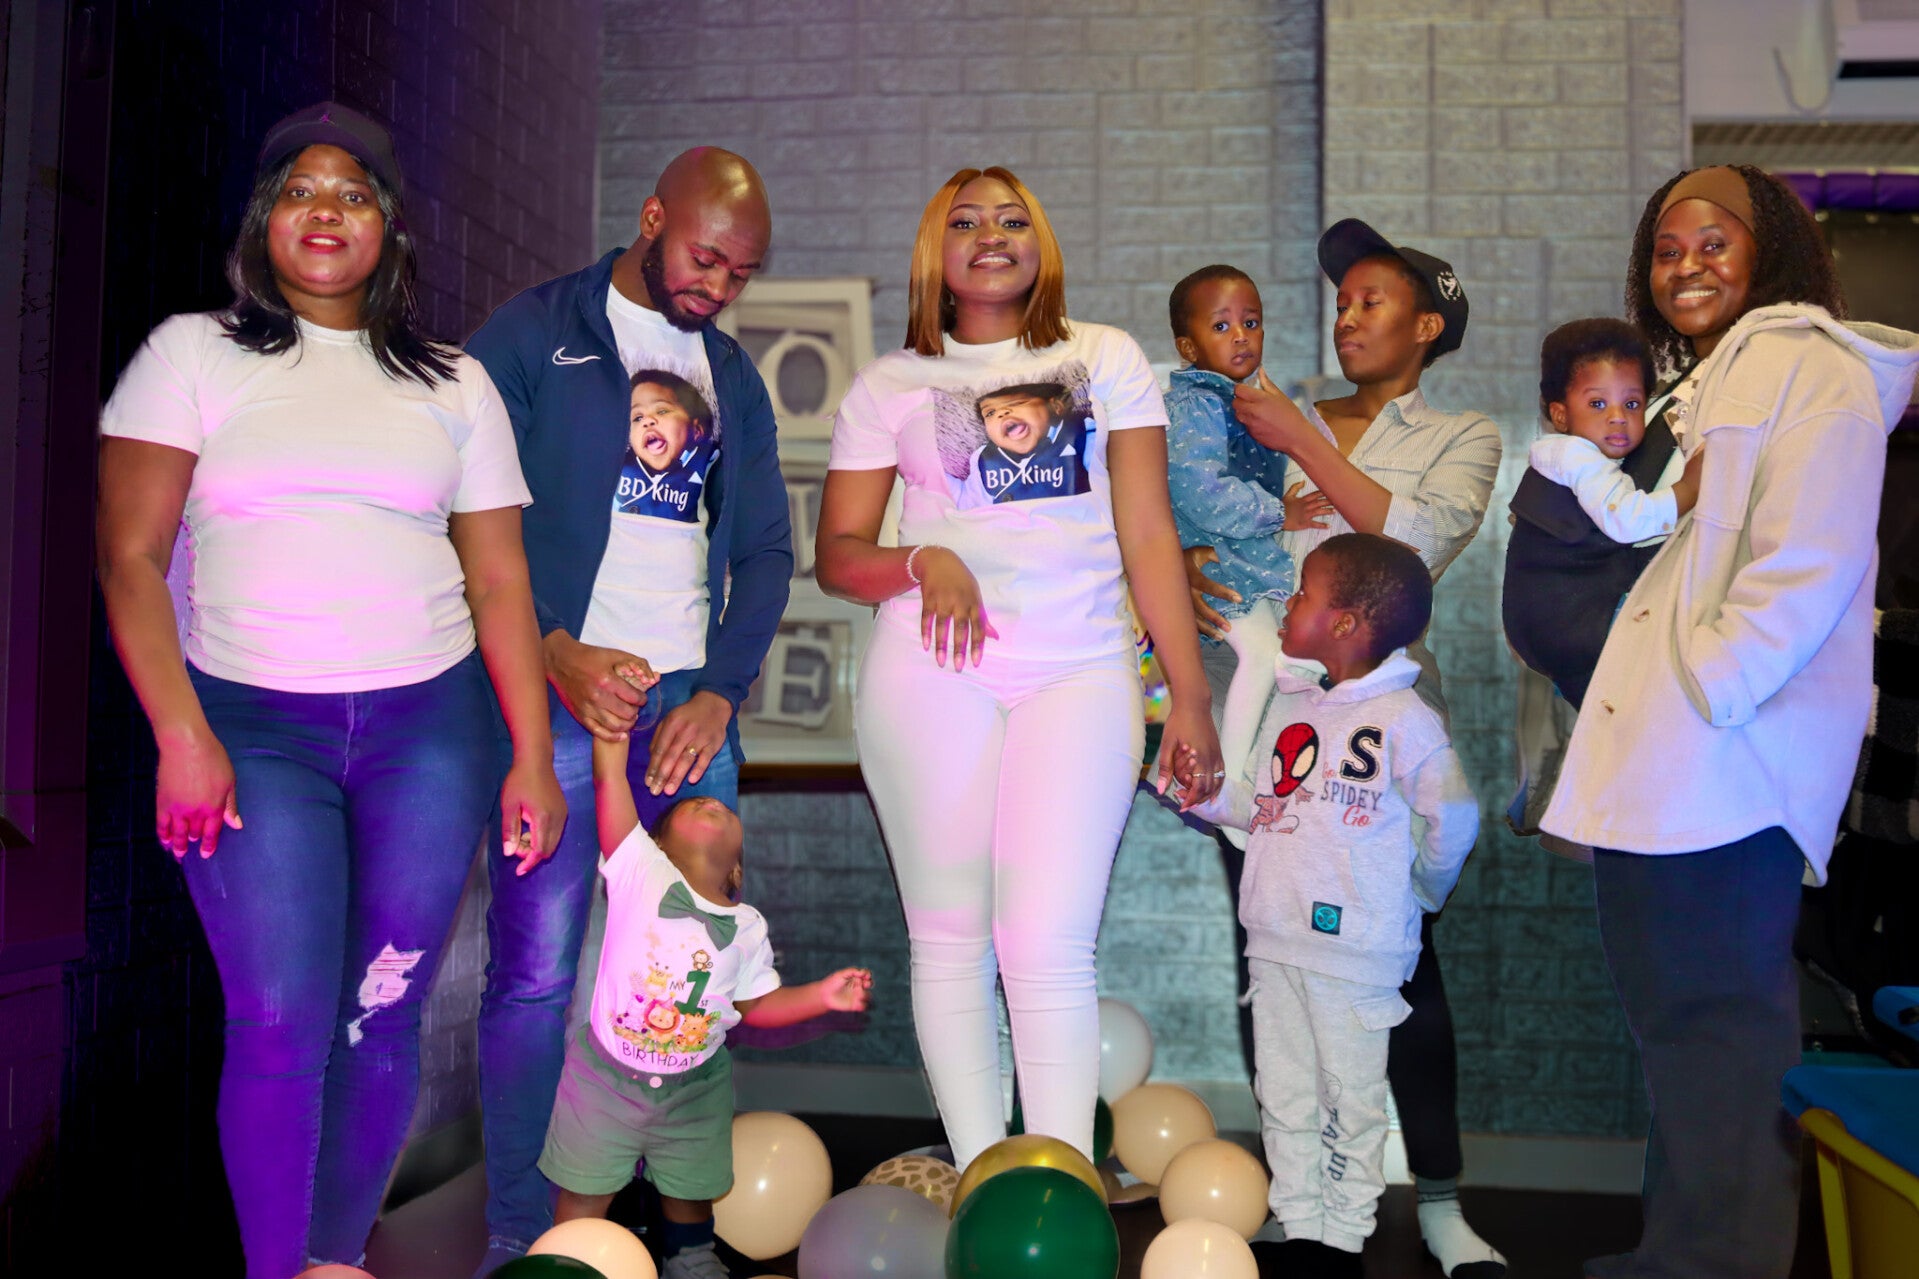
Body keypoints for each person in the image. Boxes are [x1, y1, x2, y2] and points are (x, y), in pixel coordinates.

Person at [94, 102, 564, 1279]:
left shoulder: (454, 383)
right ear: (264, 217)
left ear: (387, 228)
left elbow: (500, 583)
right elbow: (130, 560)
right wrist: (180, 733)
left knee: (381, 1013)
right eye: (300, 189)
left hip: (431, 732)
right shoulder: (191, 356)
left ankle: (335, 1262)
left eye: (353, 193)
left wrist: (527, 754)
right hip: (251, 727)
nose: (325, 211)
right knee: (278, 1018)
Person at [1542, 164, 1919, 1279]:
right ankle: (1678, 1252)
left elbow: (1808, 557)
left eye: (1713, 241)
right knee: (1681, 1037)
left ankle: (1721, 1264)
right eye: (1666, 249)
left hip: (1724, 759)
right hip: (1670, 764)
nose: (1685, 265)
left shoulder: (1811, 364)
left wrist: (1708, 682)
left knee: (1720, 1026)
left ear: (1771, 250)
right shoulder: (1695, 381)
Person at [814, 166, 1223, 1169]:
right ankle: (981, 1177)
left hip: (1079, 672)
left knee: (1045, 942)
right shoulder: (889, 384)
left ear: (1039, 244)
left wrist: (1189, 696)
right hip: (931, 673)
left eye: (1011, 220)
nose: (989, 234)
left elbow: (1147, 534)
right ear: (935, 250)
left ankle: (1055, 1183)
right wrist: (922, 558)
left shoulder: (1103, 357)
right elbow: (837, 558)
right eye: (964, 221)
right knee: (950, 936)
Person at [464, 147, 793, 1270]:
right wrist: (553, 649)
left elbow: (764, 551)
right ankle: (527, 1233)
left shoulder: (730, 376)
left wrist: (719, 692)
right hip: (556, 702)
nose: (717, 285)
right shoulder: (533, 331)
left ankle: (670, 1225)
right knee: (538, 976)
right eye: (704, 257)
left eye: (740, 272)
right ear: (652, 218)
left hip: (687, 714)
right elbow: (466, 511)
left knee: (685, 974)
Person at [1191, 219, 1507, 1277]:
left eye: (1372, 299)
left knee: (1406, 974)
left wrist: (1301, 441)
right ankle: (1304, 1204)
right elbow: (1213, 517)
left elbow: (1413, 545)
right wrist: (1188, 559)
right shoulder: (1268, 415)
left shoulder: (1462, 434)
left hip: (1381, 731)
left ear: (1426, 326)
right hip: (1276, 731)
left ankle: (1437, 1200)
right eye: (1340, 300)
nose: (1346, 315)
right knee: (1272, 958)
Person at [1180, 533, 1478, 1279]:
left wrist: (1421, 890)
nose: (1288, 602)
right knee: (1283, 1095)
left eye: (1303, 592)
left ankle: (1341, 1241)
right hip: (1276, 941)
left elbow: (1455, 815)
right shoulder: (1291, 701)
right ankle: (1303, 1229)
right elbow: (1261, 805)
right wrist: (1204, 794)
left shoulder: (1404, 716)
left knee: (1349, 1101)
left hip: (1356, 956)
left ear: (1344, 623)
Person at [540, 718, 871, 1279]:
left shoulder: (747, 926)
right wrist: (611, 732)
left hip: (695, 1090)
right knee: (583, 1189)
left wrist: (821, 996)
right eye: (688, 807)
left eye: (718, 808)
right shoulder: (640, 869)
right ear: (659, 844)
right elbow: (610, 785)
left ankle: (690, 1256)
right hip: (605, 1080)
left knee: (691, 1189)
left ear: (735, 865)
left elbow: (758, 1005)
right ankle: (566, 1260)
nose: (707, 802)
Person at [1163, 263, 1334, 806]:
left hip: (1244, 558)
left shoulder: (1244, 400)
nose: (1240, 335)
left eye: (1251, 322)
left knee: (1289, 656)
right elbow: (1200, 490)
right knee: (1262, 654)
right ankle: (1227, 785)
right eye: (1221, 326)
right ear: (1188, 347)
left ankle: (1261, 777)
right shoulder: (1197, 404)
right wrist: (1279, 513)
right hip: (1215, 562)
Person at [1504, 318, 1704, 710]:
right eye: (1597, 404)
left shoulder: (1566, 456)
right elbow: (1627, 520)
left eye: (1632, 404)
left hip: (1550, 632)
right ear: (1561, 416)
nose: (1617, 416)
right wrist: (1689, 489)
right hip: (1572, 625)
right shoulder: (1578, 457)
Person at [955, 381, 1091, 506]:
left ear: (1056, 407)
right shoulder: (986, 459)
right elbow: (969, 503)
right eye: (990, 413)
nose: (1002, 413)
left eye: (1017, 403)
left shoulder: (1081, 433)